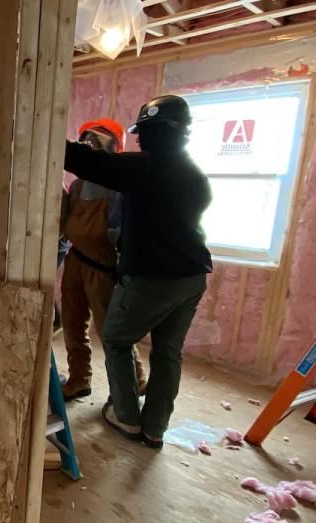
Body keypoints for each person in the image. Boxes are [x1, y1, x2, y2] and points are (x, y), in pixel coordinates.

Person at [63, 96, 212, 449]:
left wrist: (44, 127)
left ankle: (127, 417)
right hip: (191, 278)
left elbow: (86, 161)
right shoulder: (192, 173)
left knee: (115, 338)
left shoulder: (147, 167)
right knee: (168, 353)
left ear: (149, 134)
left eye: (143, 134)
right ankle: (155, 428)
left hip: (153, 277)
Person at [59, 119, 146, 401]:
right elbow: (67, 220)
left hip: (104, 267)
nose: (90, 144)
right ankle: (79, 379)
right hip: (76, 260)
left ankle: (133, 383)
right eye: (86, 139)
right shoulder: (77, 186)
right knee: (73, 325)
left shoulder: (118, 188)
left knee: (112, 332)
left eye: (97, 140)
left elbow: (123, 231)